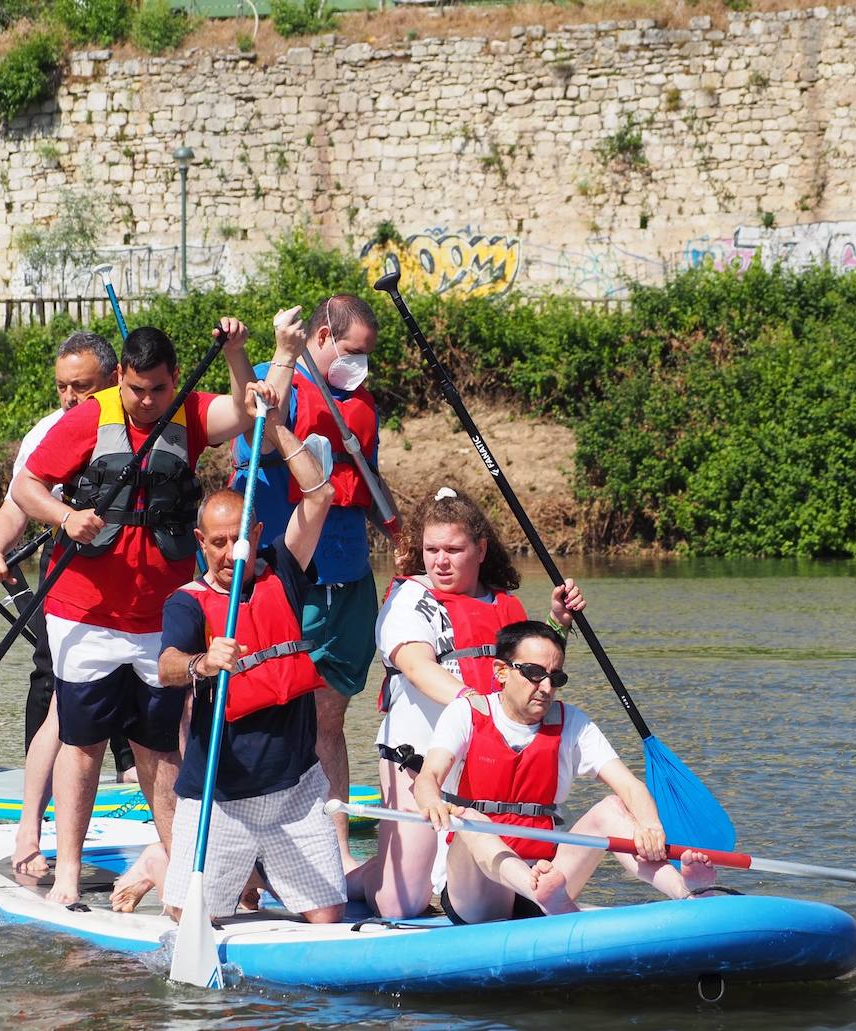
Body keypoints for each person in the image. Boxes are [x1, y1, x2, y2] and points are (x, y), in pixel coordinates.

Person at [9, 313, 306, 906]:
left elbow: (251, 412)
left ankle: (179, 866)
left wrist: (249, 350)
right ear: (118, 377)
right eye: (136, 389)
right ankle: (67, 871)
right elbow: (26, 486)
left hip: (158, 618)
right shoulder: (88, 418)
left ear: (174, 381)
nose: (146, 402)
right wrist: (65, 518)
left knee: (159, 747)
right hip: (84, 613)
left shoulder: (191, 414)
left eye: (158, 390)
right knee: (83, 742)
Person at [158, 377, 345, 926]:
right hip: (221, 795)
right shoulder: (187, 604)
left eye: (235, 539)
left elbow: (322, 494)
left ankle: (259, 873)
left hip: (296, 791)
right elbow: (167, 667)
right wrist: (202, 662)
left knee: (329, 919)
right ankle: (182, 867)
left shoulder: (283, 569)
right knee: (181, 916)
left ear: (255, 533)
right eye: (215, 543)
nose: (227, 552)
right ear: (201, 543)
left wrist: (276, 423)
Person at [347, 487, 584, 918]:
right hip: (417, 760)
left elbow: (533, 670)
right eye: (431, 549)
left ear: (480, 549)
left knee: (459, 877)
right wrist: (472, 702)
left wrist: (557, 622)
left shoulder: (503, 604)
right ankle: (357, 878)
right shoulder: (408, 599)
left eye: (453, 550)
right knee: (401, 904)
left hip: (477, 764)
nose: (440, 561)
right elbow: (417, 666)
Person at [413, 621, 716, 923]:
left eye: (555, 677)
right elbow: (429, 777)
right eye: (534, 674)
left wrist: (651, 827)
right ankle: (540, 891)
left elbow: (629, 785)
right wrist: (431, 802)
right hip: (478, 894)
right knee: (471, 820)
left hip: (549, 878)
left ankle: (687, 891)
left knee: (613, 808)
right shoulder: (465, 713)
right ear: (501, 671)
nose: (546, 687)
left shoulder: (572, 723)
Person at [230, 293, 384, 868]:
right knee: (260, 709)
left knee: (330, 716)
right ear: (321, 336)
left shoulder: (361, 404)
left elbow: (364, 483)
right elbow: (262, 429)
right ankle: (251, 847)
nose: (359, 364)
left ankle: (335, 851)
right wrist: (278, 354)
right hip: (286, 572)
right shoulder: (283, 382)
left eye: (367, 354)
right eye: (351, 351)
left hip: (345, 576)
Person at [0, 330, 130, 878]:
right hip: (71, 589)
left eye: (81, 387)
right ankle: (30, 828)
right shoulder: (48, 431)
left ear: (114, 380)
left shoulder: (146, 419)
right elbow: (20, 502)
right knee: (57, 708)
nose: (69, 398)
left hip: (141, 594)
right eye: (62, 387)